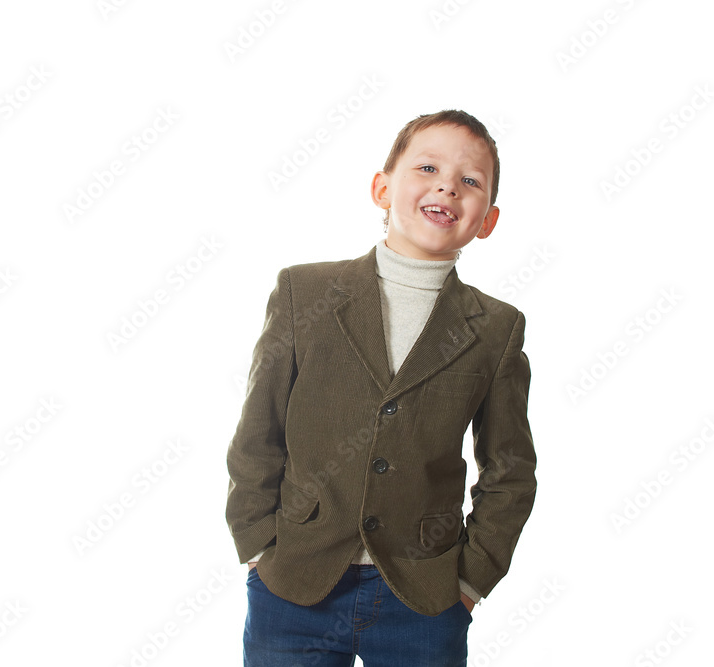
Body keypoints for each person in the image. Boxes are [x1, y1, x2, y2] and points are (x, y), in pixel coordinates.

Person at [226, 109, 537, 666]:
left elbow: (510, 470)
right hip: (294, 583)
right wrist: (256, 543)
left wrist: (470, 580)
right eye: (428, 167)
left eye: (470, 181)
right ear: (382, 187)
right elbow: (258, 431)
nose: (447, 184)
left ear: (486, 219)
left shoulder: (496, 328)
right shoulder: (305, 292)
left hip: (424, 598)